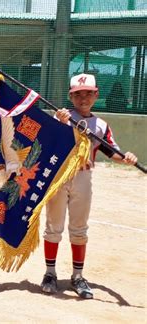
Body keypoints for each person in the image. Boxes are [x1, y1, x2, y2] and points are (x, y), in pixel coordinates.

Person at [41, 73, 138, 299]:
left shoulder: (101, 125)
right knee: (53, 226)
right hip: (59, 176)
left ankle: (77, 276)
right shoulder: (61, 118)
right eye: (77, 94)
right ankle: (50, 273)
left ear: (96, 95)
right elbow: (47, 141)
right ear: (70, 96)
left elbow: (111, 150)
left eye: (87, 94)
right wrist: (59, 121)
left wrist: (126, 158)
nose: (83, 98)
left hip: (83, 177)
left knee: (79, 227)